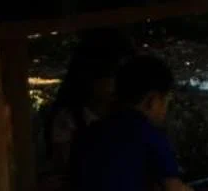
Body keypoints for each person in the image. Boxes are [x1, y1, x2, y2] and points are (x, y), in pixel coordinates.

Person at [70, 55, 191, 191]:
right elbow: (174, 188)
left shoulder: (88, 134)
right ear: (152, 101)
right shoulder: (149, 136)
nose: (166, 110)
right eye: (166, 102)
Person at [39, 30, 131, 191]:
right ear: (90, 77)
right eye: (111, 74)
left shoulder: (127, 117)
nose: (117, 83)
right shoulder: (68, 120)